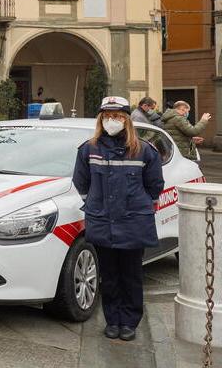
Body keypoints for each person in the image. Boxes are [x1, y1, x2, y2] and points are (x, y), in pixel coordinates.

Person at [72, 96, 164, 342]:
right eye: (107, 116)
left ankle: (130, 322)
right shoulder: (89, 149)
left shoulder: (144, 150)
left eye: (117, 116)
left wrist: (139, 206)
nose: (112, 120)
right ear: (101, 119)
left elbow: (155, 185)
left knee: (131, 275)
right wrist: (95, 204)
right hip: (103, 221)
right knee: (109, 276)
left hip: (133, 222)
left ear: (126, 119)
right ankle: (112, 321)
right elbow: (81, 182)